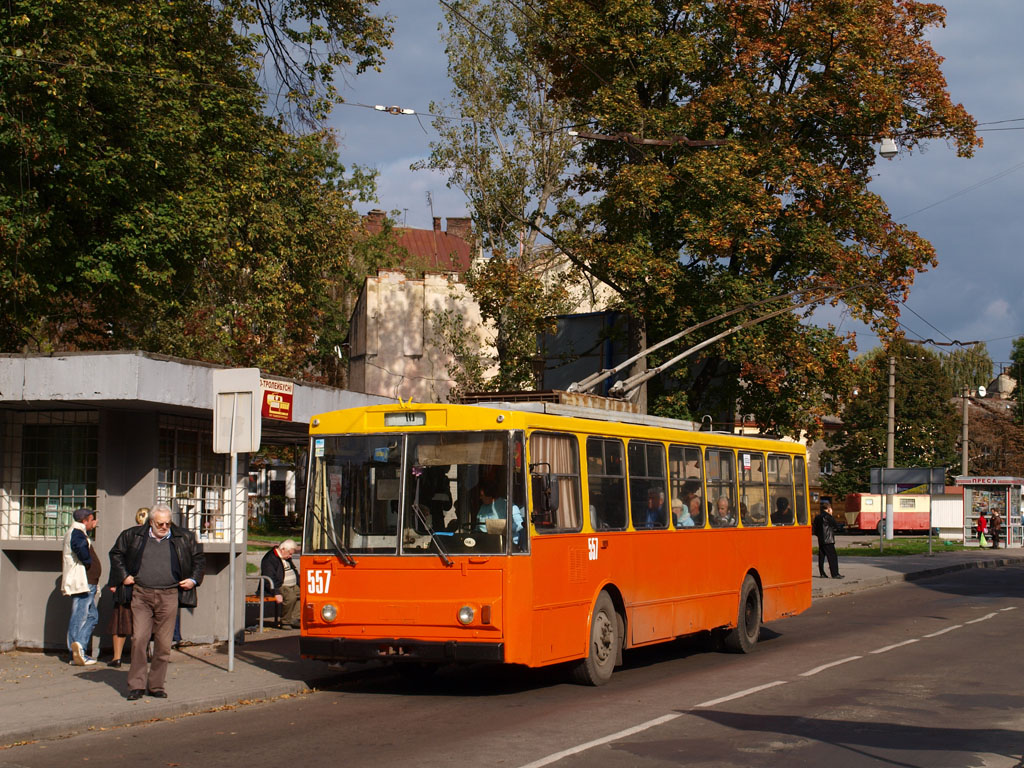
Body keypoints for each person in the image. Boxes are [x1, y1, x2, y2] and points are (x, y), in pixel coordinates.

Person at [110, 503, 204, 701]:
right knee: (139, 639)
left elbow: (198, 559)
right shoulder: (133, 535)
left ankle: (156, 685)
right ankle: (136, 685)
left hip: (169, 594)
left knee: (163, 643)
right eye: (160, 524)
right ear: (151, 522)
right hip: (141, 594)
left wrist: (193, 580)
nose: (164, 527)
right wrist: (124, 575)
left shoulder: (184, 537)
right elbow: (116, 554)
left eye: (168, 524)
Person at [107, 507, 149, 667]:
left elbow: (116, 558)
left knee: (121, 624)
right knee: (143, 623)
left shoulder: (127, 534)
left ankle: (116, 657)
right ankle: (139, 657)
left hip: (126, 585)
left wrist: (118, 579)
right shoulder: (153, 536)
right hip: (143, 585)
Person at [61, 508, 100, 666]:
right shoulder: (77, 532)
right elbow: (80, 548)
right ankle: (76, 651)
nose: (94, 523)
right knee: (81, 616)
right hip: (84, 581)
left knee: (92, 617)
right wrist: (88, 561)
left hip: (89, 581)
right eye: (92, 520)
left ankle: (79, 649)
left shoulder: (79, 531)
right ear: (85, 520)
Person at [260, 539, 301, 628]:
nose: (290, 556)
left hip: (292, 585)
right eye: (290, 553)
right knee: (291, 597)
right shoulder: (270, 559)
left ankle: (295, 619)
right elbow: (269, 578)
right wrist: (276, 593)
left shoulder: (285, 557)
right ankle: (285, 622)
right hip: (279, 585)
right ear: (283, 549)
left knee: (303, 594)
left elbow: (294, 570)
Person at [813, 503, 843, 578]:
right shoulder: (828, 516)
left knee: (821, 557)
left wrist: (820, 536)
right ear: (829, 509)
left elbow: (815, 530)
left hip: (821, 540)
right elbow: (835, 526)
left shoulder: (817, 517)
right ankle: (835, 573)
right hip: (829, 540)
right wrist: (831, 514)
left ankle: (822, 573)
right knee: (832, 557)